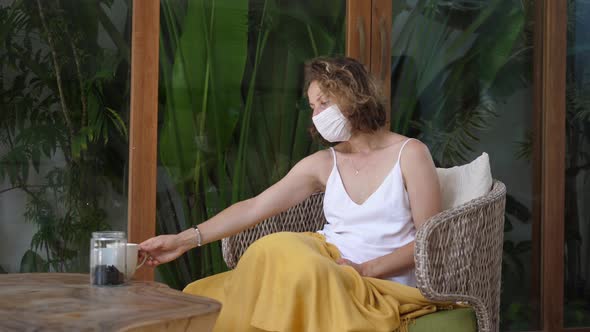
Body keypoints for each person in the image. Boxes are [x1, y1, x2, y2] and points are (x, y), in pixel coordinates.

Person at [139, 56, 453, 332]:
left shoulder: (410, 154)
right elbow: (254, 207)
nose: (317, 115)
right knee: (219, 286)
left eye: (324, 103)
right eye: (313, 107)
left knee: (294, 261)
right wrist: (180, 241)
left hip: (366, 281)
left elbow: (430, 242)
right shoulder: (323, 164)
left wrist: (365, 269)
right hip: (319, 262)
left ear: (354, 95)